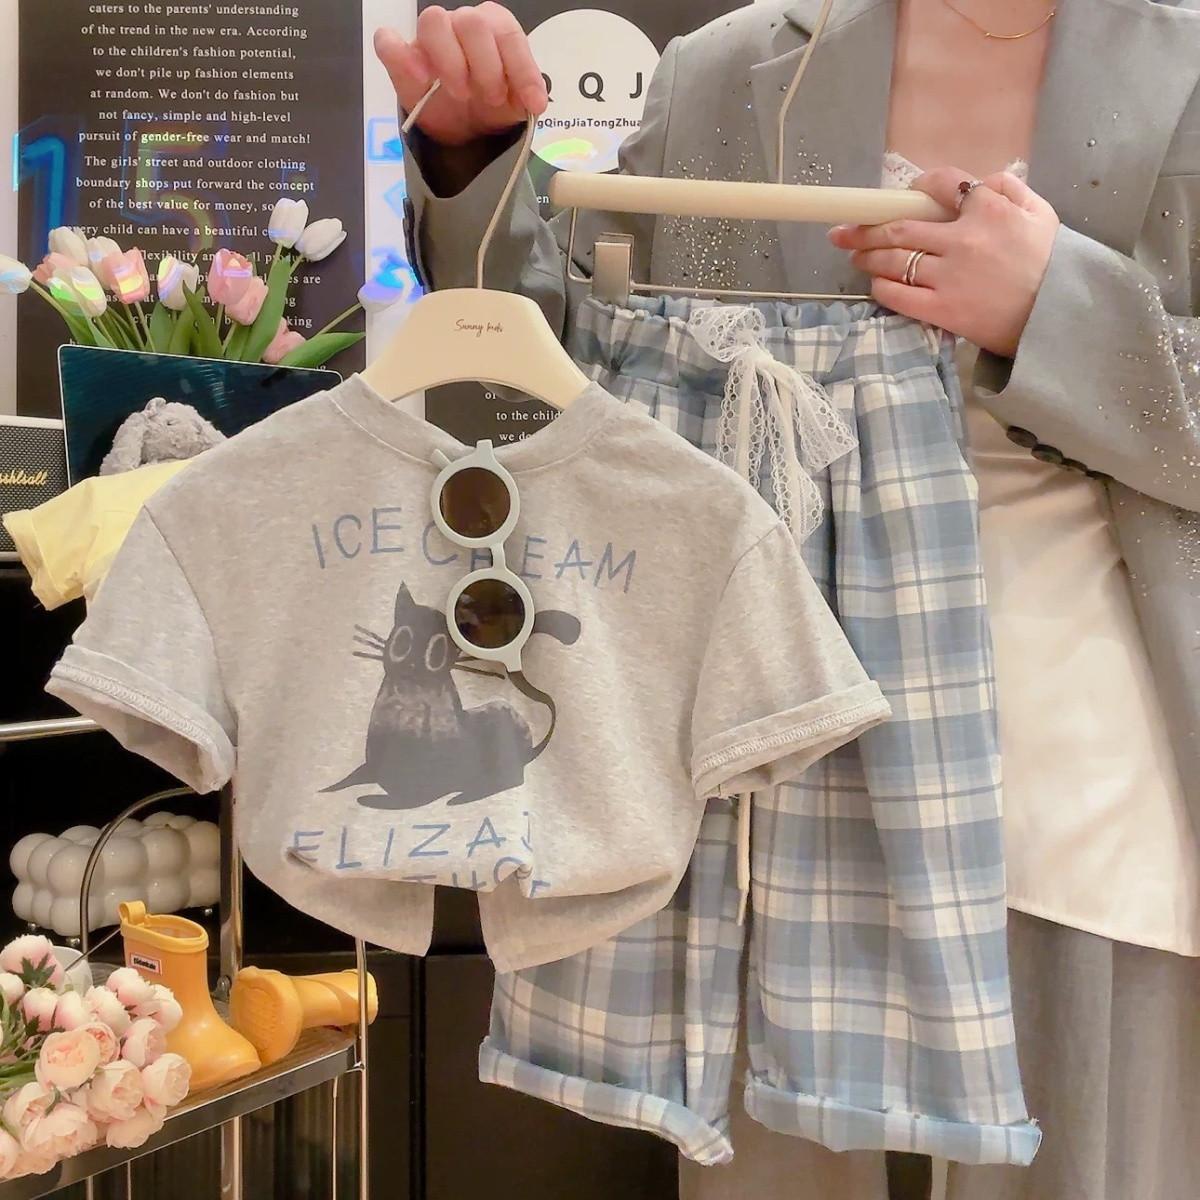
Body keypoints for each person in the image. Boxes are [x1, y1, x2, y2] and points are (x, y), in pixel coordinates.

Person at [375, 2, 1200, 1197]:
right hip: (781, 773)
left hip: (1096, 790)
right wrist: (474, 170)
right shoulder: (721, 73)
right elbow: (567, 396)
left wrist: (1055, 316)